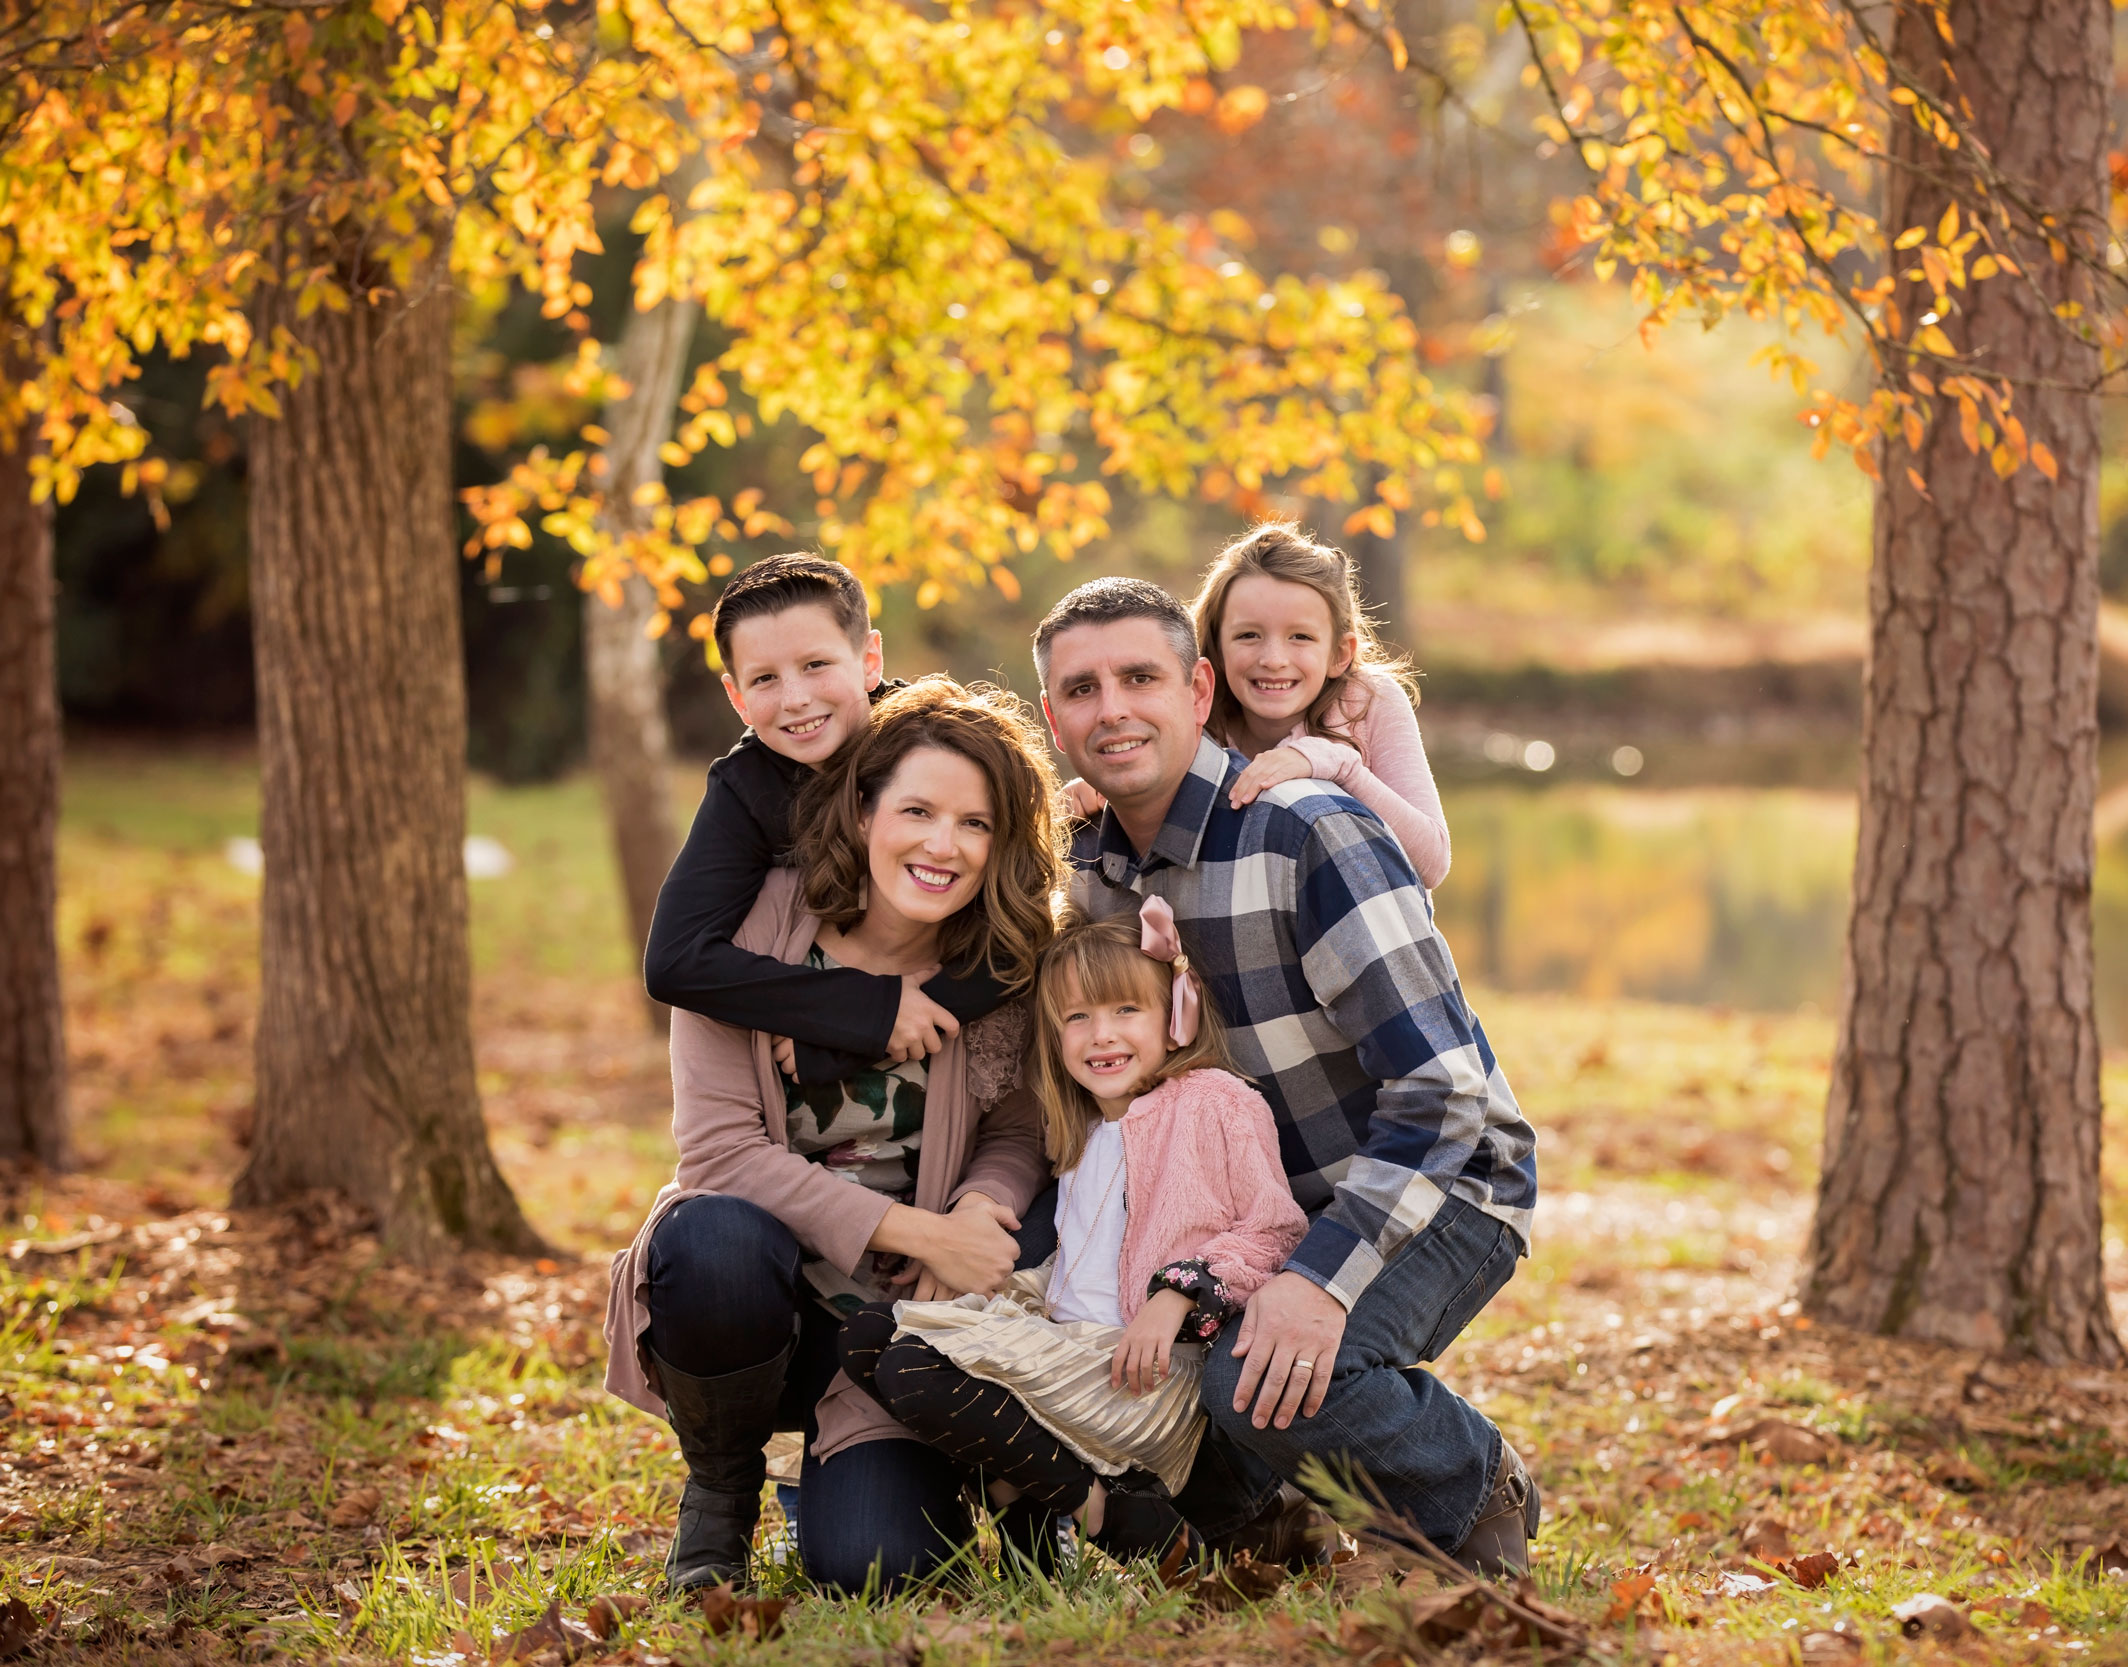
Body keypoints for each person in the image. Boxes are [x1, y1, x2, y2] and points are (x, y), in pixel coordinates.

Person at [1030, 577, 1542, 1574]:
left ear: (1198, 687)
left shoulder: (1308, 831)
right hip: (1250, 1214)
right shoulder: (1087, 868)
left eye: (1140, 676)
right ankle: (1276, 1499)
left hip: (1438, 1184)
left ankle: (1473, 1479)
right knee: (1172, 1465)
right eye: (1082, 690)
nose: (1113, 708)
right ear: (1053, 718)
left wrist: (1316, 1281)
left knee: (1255, 1378)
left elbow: (1441, 1097)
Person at [603, 680, 1062, 1594]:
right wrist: (917, 1232)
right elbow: (721, 1155)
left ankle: (881, 1466)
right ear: (862, 811)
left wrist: (979, 1206)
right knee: (713, 1235)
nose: (943, 844)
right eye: (918, 810)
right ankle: (723, 1486)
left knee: (878, 1568)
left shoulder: (999, 955)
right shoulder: (752, 937)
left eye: (974, 823)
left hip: (896, 1327)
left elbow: (1018, 1127)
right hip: (754, 1301)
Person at [835, 905, 1308, 1566]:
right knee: (867, 1335)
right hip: (1066, 1351)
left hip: (1141, 1374)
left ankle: (1114, 1515)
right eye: (1077, 1017)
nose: (1100, 1035)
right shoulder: (1083, 1128)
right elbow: (1073, 1269)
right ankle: (1031, 1538)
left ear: (1176, 1014)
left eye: (1125, 1010)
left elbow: (1272, 1231)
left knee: (911, 1369)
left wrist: (1177, 1293)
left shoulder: (1216, 1101)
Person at [645, 552, 1009, 1095]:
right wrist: (860, 1011)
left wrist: (850, 1039)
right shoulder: (747, 789)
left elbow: (1027, 924)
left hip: (972, 1084)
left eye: (816, 665)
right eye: (765, 679)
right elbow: (676, 961)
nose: (796, 699)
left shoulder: (942, 742)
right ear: (737, 698)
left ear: (869, 659)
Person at [1065, 525, 1452, 889]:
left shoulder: (1369, 702)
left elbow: (1432, 864)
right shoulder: (1199, 715)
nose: (1273, 658)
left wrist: (1338, 764)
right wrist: (1102, 787)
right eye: (1248, 635)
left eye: (1300, 636)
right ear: (1215, 646)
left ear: (1339, 653)